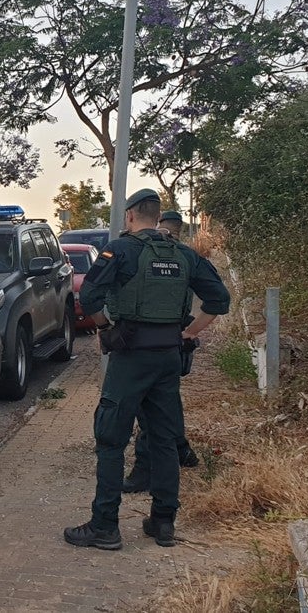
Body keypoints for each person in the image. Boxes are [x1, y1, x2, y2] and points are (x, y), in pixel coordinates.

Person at [64, 189, 229, 550]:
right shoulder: (185, 255)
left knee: (111, 438)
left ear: (131, 216)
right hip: (169, 357)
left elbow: (89, 297)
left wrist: (106, 329)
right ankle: (163, 522)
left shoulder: (121, 250)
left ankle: (105, 526)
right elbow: (220, 299)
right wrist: (188, 332)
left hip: (130, 357)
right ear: (157, 216)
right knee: (164, 438)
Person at [123, 209, 200, 494]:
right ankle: (181, 451)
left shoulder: (163, 254)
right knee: (164, 405)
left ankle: (147, 469)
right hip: (171, 342)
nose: (171, 236)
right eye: (169, 231)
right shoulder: (179, 255)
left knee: (150, 411)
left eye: (174, 232)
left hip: (155, 343)